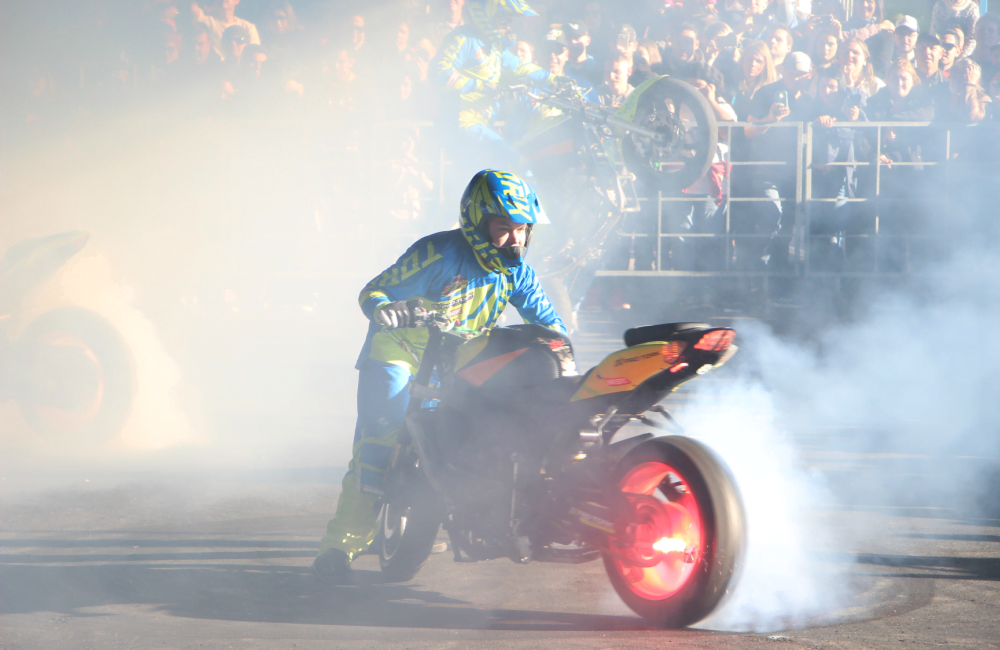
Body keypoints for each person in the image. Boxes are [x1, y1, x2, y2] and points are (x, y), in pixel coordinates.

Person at [311, 169, 566, 581]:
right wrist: (387, 309)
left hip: (452, 364)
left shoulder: (516, 272)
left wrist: (559, 354)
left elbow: (551, 326)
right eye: (504, 228)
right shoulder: (437, 253)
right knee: (381, 445)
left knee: (450, 444)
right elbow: (373, 291)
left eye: (522, 229)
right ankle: (339, 547)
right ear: (477, 222)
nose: (515, 240)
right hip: (399, 352)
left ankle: (433, 517)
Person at [431, 0, 555, 158]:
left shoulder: (494, 47)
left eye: (509, 21)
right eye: (503, 21)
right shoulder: (463, 38)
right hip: (460, 124)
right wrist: (481, 85)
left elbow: (520, 66)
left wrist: (553, 79)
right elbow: (438, 72)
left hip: (481, 125)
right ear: (487, 16)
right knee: (513, 159)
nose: (507, 26)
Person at [191, 0, 260, 62]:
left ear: (237, 1)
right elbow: (192, 6)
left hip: (240, 70)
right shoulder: (205, 21)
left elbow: (256, 55)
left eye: (239, 40)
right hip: (214, 68)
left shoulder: (248, 27)